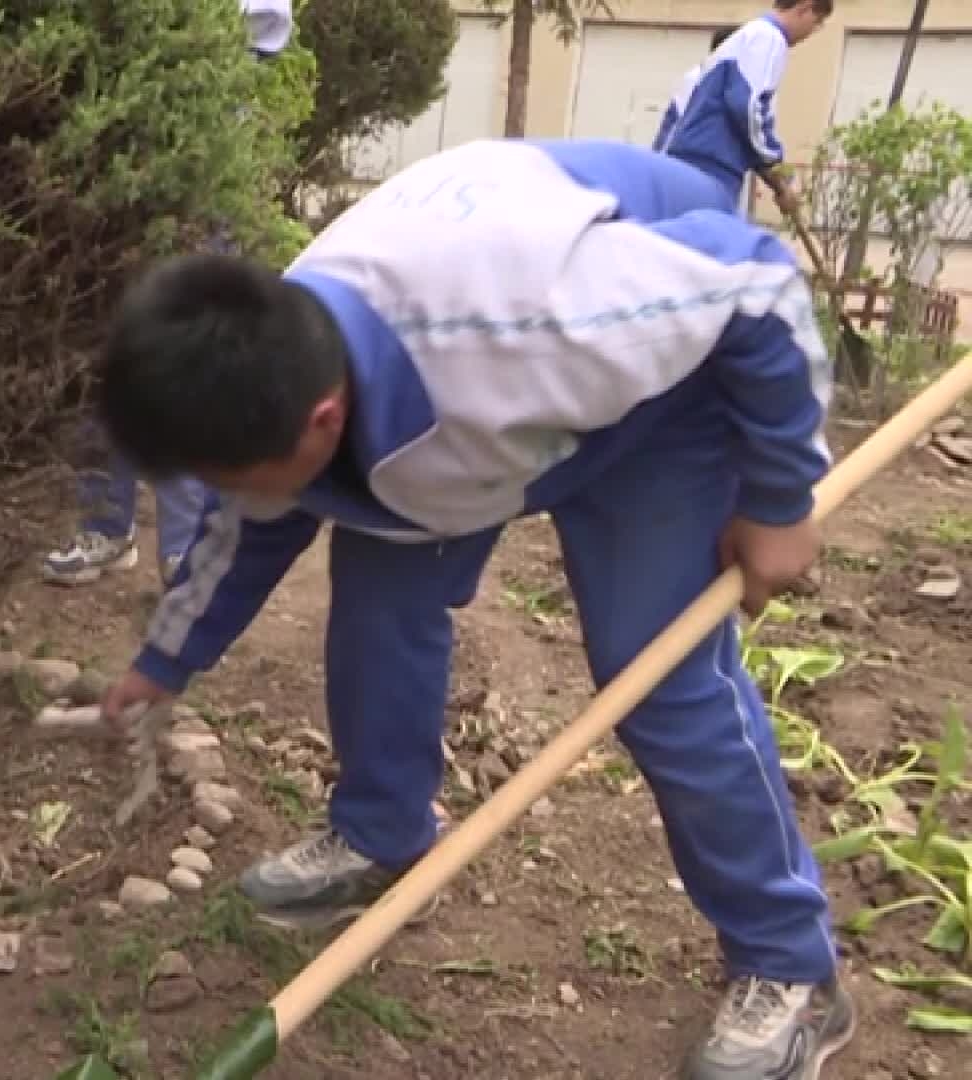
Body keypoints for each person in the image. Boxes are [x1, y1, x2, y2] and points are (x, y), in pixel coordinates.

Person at [95, 138, 850, 1080]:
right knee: (376, 606)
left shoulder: (531, 319)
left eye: (227, 476)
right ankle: (385, 832)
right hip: (456, 431)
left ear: (321, 424)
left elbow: (755, 283)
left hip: (660, 400)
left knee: (660, 682)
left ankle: (791, 965)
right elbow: (244, 526)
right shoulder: (276, 359)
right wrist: (163, 662)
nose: (219, 493)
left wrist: (779, 499)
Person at [42, 0, 295, 589]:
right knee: (98, 333)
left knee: (183, 345)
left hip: (205, 91)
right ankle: (105, 527)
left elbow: (264, 24)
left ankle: (185, 547)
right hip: (108, 95)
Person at [654, 1, 833, 215]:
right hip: (710, 167)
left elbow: (746, 124)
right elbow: (746, 107)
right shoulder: (768, 38)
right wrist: (778, 168)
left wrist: (777, 181)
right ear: (805, 8)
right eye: (817, 22)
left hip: (701, 163)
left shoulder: (750, 38)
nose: (812, 32)